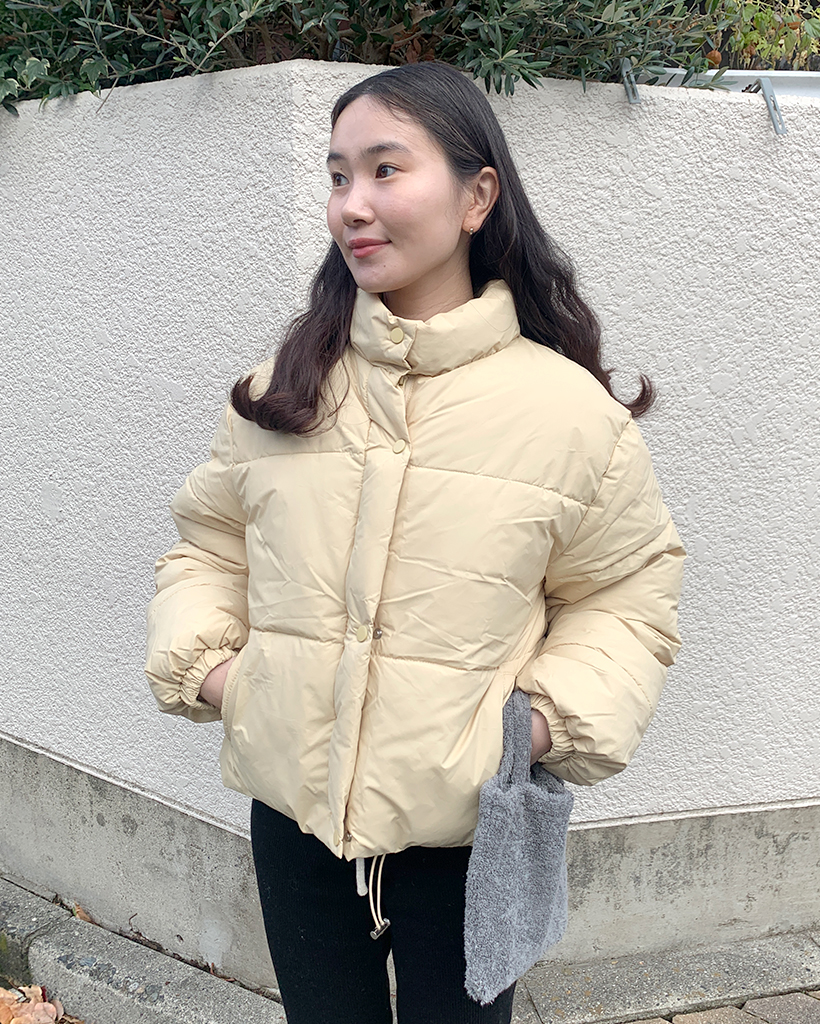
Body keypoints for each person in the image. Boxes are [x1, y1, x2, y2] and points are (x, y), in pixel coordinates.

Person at [145, 61, 685, 1024]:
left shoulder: (568, 414)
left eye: (386, 170)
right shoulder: (284, 391)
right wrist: (229, 678)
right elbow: (210, 549)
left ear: (478, 196)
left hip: (468, 833)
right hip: (296, 820)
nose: (353, 204)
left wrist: (528, 731)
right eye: (338, 175)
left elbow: (624, 597)